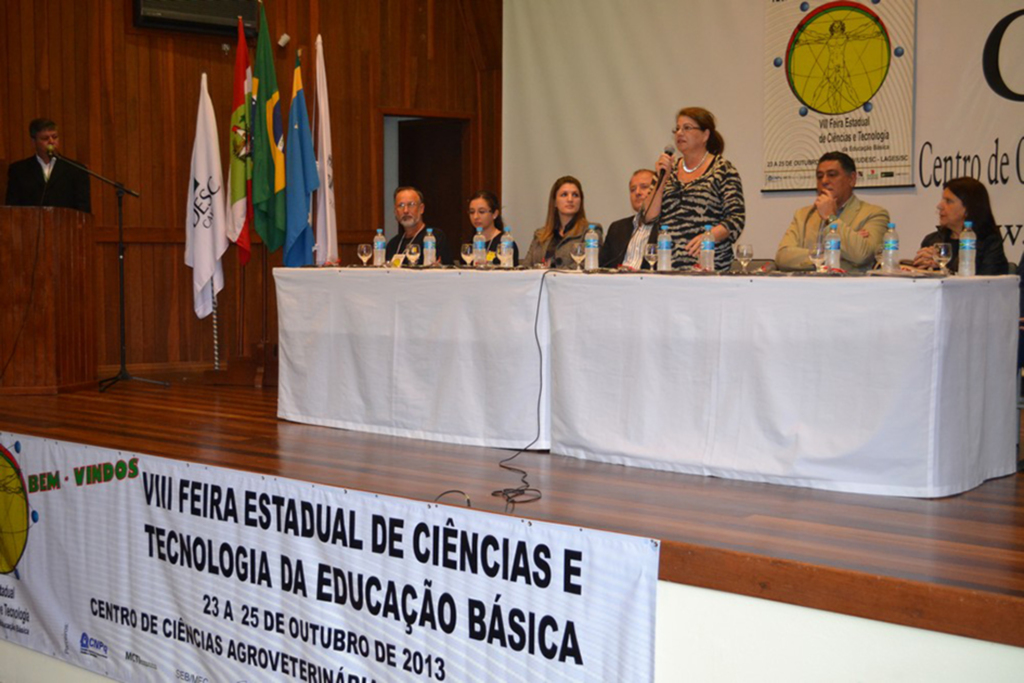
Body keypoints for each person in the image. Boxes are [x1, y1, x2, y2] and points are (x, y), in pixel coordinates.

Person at [643, 107, 744, 270]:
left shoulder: (723, 169)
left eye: (687, 128)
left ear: (705, 135)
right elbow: (648, 217)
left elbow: (736, 219)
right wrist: (662, 180)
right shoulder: (667, 169)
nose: (679, 133)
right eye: (677, 129)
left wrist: (709, 237)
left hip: (709, 266)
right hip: (668, 266)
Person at [775, 151, 888, 272]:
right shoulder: (803, 215)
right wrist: (831, 251)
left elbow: (862, 255)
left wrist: (830, 216)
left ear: (852, 179)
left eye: (832, 175)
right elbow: (783, 257)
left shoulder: (874, 214)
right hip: (808, 288)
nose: (824, 181)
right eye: (819, 176)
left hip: (849, 288)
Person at [912, 177, 1008, 275]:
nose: (939, 206)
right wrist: (920, 267)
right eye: (942, 199)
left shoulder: (989, 242)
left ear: (968, 208)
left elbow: (988, 284)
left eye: (948, 201)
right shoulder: (932, 240)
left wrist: (942, 267)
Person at [5, 118, 91, 212]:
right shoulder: (19, 170)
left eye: (54, 137)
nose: (51, 141)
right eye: (45, 138)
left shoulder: (76, 170)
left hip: (65, 224)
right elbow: (12, 208)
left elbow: (83, 210)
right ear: (34, 142)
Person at [522, 176, 602, 268]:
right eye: (564, 194)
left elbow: (586, 265)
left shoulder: (591, 232)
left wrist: (552, 274)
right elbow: (526, 267)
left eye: (575, 195)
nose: (570, 199)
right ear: (555, 202)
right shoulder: (540, 235)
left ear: (581, 201)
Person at [599, 169, 657, 269]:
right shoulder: (617, 228)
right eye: (632, 189)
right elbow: (601, 266)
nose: (637, 192)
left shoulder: (668, 227)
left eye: (644, 187)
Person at [385, 186, 453, 265]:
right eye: (401, 205)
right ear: (395, 212)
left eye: (411, 204)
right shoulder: (393, 244)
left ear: (421, 208)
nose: (405, 210)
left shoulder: (436, 238)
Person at [468, 190, 518, 266]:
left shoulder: (505, 243)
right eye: (472, 212)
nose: (475, 217)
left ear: (495, 214)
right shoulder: (471, 242)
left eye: (481, 212)